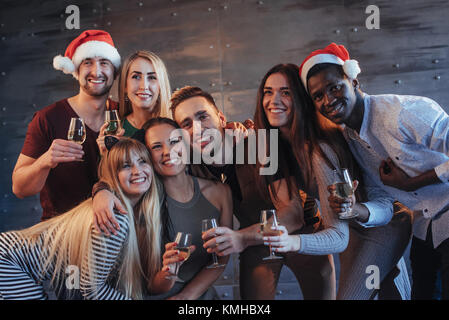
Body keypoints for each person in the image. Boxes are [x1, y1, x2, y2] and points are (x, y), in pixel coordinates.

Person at [299, 43, 449, 300]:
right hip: (424, 228)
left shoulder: (403, 113)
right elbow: (384, 201)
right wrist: (354, 209)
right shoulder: (349, 140)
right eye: (318, 96)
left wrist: (412, 183)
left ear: (353, 79)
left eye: (335, 87)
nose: (328, 100)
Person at [257, 63, 411, 300]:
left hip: (382, 226)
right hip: (351, 229)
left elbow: (338, 237)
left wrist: (291, 242)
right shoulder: (277, 148)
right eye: (268, 91)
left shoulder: (319, 150)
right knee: (387, 292)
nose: (274, 100)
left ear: (300, 99)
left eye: (285, 92)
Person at [170, 86, 335, 300]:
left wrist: (241, 237)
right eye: (187, 124)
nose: (198, 128)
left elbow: (293, 216)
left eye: (203, 116)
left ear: (221, 118)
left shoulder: (261, 144)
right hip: (256, 243)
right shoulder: (191, 167)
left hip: (303, 235)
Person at [0, 138, 183, 300]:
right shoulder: (115, 217)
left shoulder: (124, 212)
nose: (138, 171)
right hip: (7, 260)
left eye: (143, 161)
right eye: (126, 166)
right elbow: (92, 289)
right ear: (114, 176)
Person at [12, 30, 120, 220]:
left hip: (116, 230)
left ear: (114, 71)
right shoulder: (48, 118)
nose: (96, 71)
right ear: (76, 70)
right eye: (87, 62)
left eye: (104, 63)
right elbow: (19, 189)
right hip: (60, 233)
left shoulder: (124, 116)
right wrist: (45, 161)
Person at [96, 50, 172, 156]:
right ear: (125, 85)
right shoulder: (116, 132)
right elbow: (106, 172)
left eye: (152, 77)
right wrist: (106, 156)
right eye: (136, 77)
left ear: (161, 86)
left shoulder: (176, 127)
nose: (144, 86)